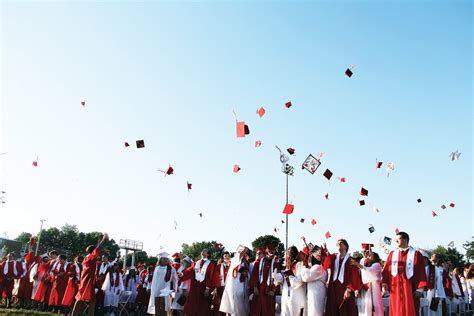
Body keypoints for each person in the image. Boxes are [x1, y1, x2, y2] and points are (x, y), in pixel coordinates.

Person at [382, 232, 427, 316]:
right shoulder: (392, 254)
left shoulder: (416, 254)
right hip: (395, 290)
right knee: (396, 311)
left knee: (411, 311)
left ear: (405, 240)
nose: (395, 241)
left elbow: (421, 272)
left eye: (398, 239)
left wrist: (420, 289)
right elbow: (386, 270)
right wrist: (384, 283)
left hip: (411, 289)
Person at [72, 233, 109, 316]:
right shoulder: (91, 257)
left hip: (83, 281)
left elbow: (96, 249)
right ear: (93, 252)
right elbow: (98, 249)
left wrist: (99, 241)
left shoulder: (86, 258)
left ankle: (74, 314)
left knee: (80, 299)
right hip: (88, 282)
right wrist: (103, 239)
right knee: (91, 301)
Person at [326, 239, 362, 316]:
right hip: (333, 289)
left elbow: (354, 276)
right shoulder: (334, 258)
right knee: (333, 310)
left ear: (345, 246)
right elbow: (326, 263)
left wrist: (349, 288)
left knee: (346, 311)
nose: (338, 246)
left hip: (345, 289)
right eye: (337, 245)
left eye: (340, 244)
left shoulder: (351, 260)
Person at [181, 248, 216, 316]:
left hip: (204, 287)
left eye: (205, 252)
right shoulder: (196, 263)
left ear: (208, 254)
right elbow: (190, 271)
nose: (202, 253)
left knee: (203, 307)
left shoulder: (211, 264)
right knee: (193, 306)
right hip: (195, 287)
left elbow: (210, 277)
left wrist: (207, 288)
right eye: (202, 251)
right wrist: (182, 274)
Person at [350, 246, 383, 316]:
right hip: (366, 290)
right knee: (365, 309)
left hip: (374, 289)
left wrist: (357, 264)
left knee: (374, 309)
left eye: (370, 256)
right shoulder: (367, 265)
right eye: (367, 256)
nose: (367, 257)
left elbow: (370, 271)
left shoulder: (377, 265)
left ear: (374, 258)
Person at [274, 246, 306, 315]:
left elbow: (299, 281)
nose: (287, 256)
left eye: (288, 254)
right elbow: (285, 280)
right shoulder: (288, 266)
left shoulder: (299, 264)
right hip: (286, 295)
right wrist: (277, 277)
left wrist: (290, 276)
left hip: (295, 296)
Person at [249, 243, 280, 316]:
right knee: (257, 310)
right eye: (270, 252)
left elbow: (278, 279)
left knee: (268, 310)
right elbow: (254, 275)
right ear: (266, 253)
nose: (272, 255)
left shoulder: (275, 264)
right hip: (259, 290)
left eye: (273, 253)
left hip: (269, 291)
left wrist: (273, 290)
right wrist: (255, 287)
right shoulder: (258, 263)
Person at [219, 246, 250, 315]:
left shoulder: (245, 263)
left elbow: (247, 273)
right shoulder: (234, 260)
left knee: (241, 305)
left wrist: (244, 272)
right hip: (233, 285)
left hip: (242, 286)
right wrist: (244, 248)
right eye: (238, 252)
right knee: (231, 305)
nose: (240, 254)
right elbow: (242, 253)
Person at [301, 244, 328, 316]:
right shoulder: (319, 267)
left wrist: (303, 266)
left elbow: (305, 277)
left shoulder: (318, 267)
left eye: (311, 256)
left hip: (315, 297)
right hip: (316, 295)